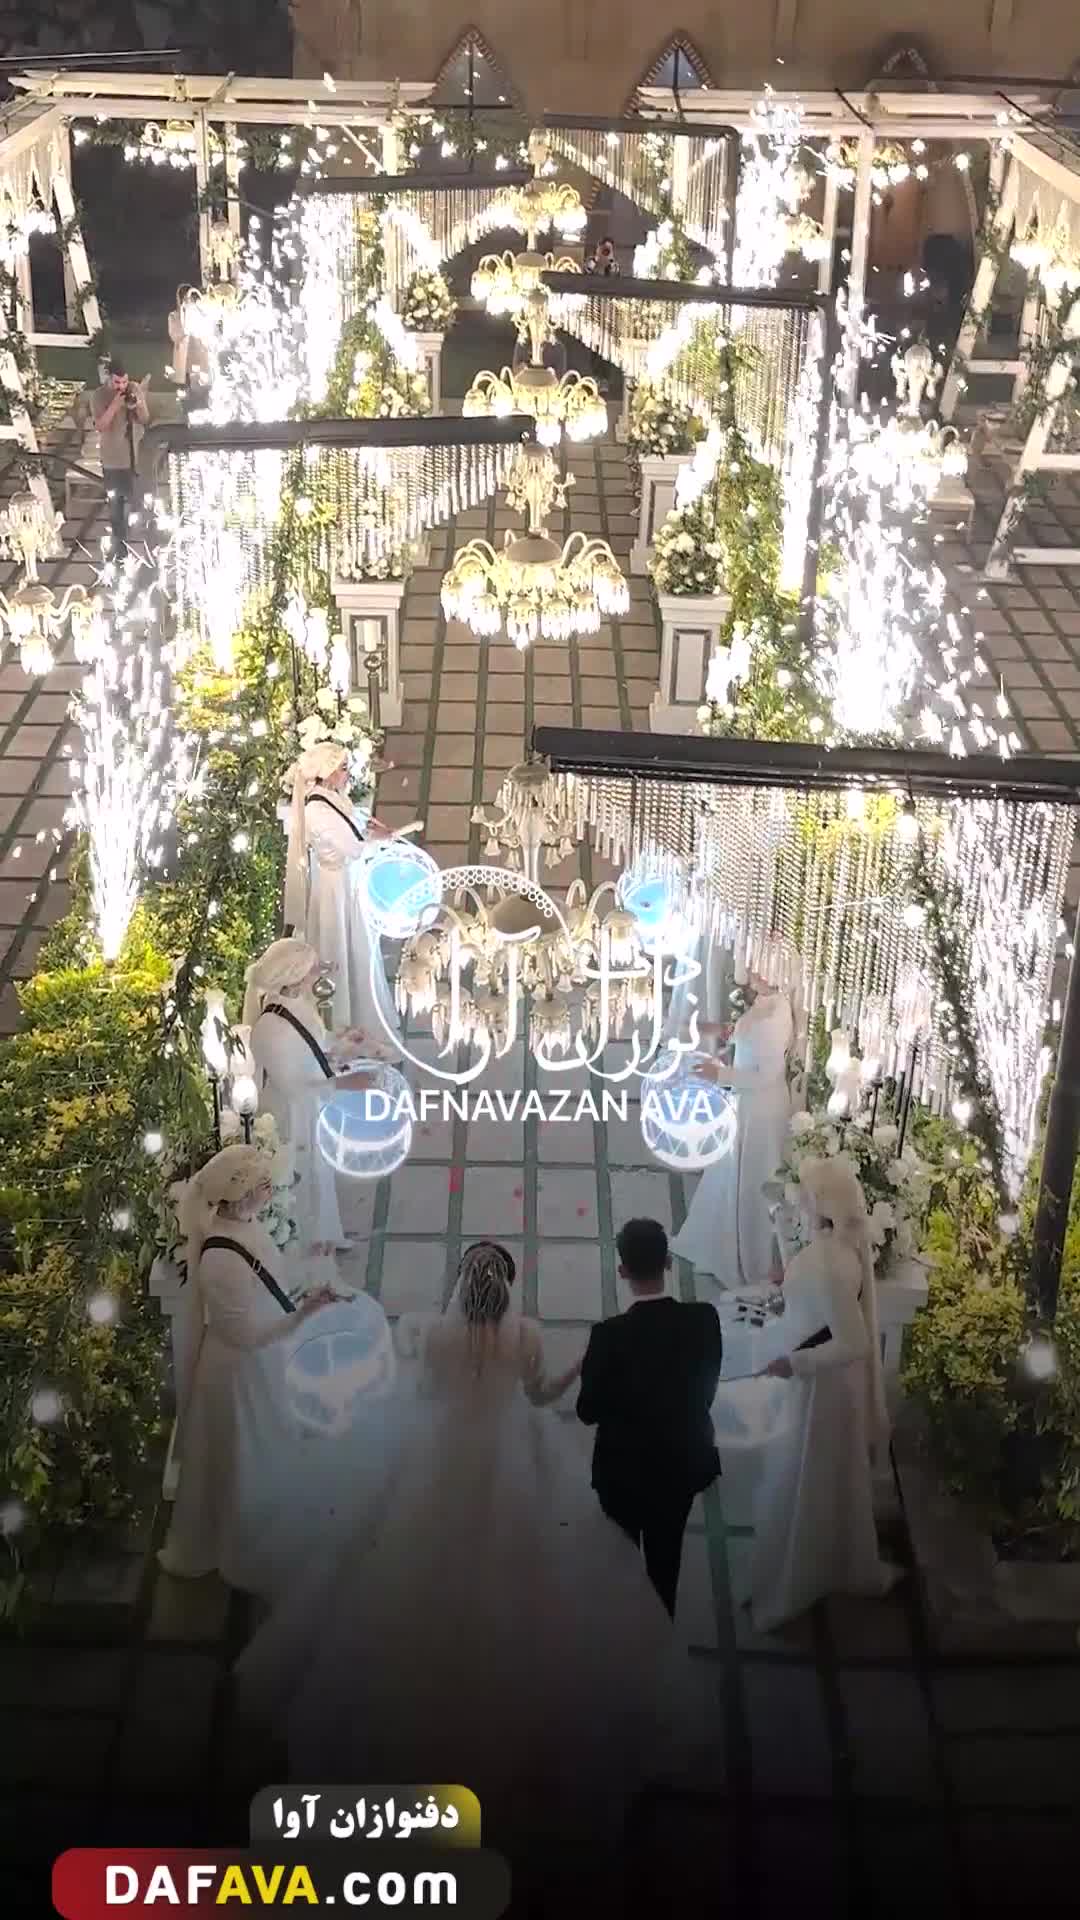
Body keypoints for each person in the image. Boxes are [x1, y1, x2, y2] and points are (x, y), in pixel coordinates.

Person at [234, 1241, 718, 1884]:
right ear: (509, 1289)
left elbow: (424, 1388)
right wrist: (575, 1368)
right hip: (511, 1459)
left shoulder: (434, 1335)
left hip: (439, 1458)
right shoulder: (527, 1336)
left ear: (461, 1285)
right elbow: (540, 1396)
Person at [713, 1155, 896, 1633]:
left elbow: (854, 1342)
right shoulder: (835, 1249)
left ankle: (798, 1574)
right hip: (822, 1380)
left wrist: (795, 1363)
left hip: (823, 1389)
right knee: (812, 1476)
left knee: (806, 1478)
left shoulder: (832, 1265)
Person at [157, 1144, 343, 1594]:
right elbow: (246, 1336)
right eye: (263, 1185)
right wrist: (305, 1315)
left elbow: (269, 1276)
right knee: (247, 1454)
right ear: (240, 1194)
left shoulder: (245, 1224)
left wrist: (308, 1262)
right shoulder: (220, 1261)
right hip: (239, 1375)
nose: (270, 1190)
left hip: (261, 1362)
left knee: (271, 1443)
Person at [577, 1219, 722, 1618]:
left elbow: (587, 1412)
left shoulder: (608, 1335)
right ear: (668, 1263)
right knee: (666, 1556)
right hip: (683, 1464)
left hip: (622, 1471)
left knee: (620, 1558)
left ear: (623, 1271)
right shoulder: (704, 1319)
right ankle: (662, 1622)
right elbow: (707, 1390)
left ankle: (625, 1627)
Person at [245, 937, 375, 1257]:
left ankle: (328, 1234)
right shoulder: (270, 1029)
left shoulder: (296, 1003)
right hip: (293, 1117)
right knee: (304, 1176)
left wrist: (343, 1042)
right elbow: (294, 1087)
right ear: (295, 976)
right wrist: (343, 1084)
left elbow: (313, 1042)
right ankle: (308, 1248)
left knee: (321, 1172)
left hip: (311, 1107)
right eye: (312, 969)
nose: (317, 973)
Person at [671, 981, 793, 1287]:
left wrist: (721, 1075)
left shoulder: (775, 1017)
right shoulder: (768, 1002)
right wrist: (713, 1031)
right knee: (733, 1172)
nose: (748, 975)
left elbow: (767, 1074)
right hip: (749, 1102)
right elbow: (746, 1035)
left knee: (754, 1180)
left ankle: (754, 1258)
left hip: (760, 1111)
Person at [284, 741, 403, 1050]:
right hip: (335, 887)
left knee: (356, 944)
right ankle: (340, 1018)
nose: (347, 775)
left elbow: (351, 821)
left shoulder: (330, 795)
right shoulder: (316, 810)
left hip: (346, 880)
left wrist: (369, 826)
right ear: (327, 772)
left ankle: (357, 1009)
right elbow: (353, 847)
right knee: (340, 943)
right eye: (343, 769)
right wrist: (380, 839)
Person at [90, 360, 149, 551]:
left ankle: (136, 540)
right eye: (117, 383)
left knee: (135, 503)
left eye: (124, 382)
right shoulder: (98, 396)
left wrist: (139, 404)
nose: (122, 387)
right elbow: (100, 426)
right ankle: (120, 547)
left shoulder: (134, 388)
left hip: (134, 458)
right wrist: (115, 405)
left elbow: (145, 419)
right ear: (109, 379)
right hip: (113, 461)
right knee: (116, 507)